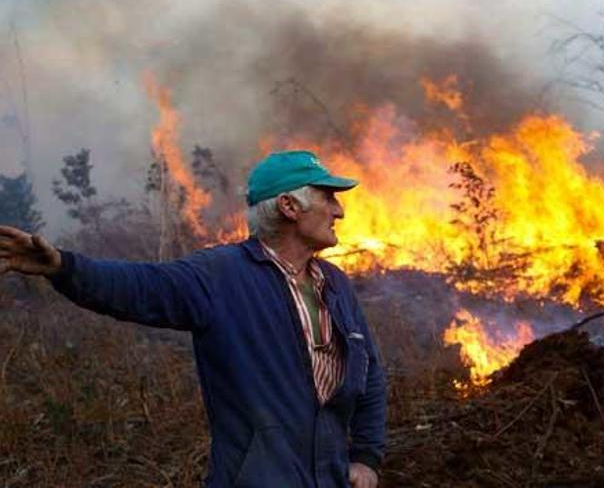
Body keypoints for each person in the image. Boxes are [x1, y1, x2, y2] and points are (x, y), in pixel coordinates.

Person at [0, 150, 387, 488]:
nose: (339, 210)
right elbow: (139, 288)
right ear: (289, 206)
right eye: (328, 197)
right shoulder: (221, 275)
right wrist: (63, 267)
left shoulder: (334, 284)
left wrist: (366, 457)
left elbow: (369, 373)